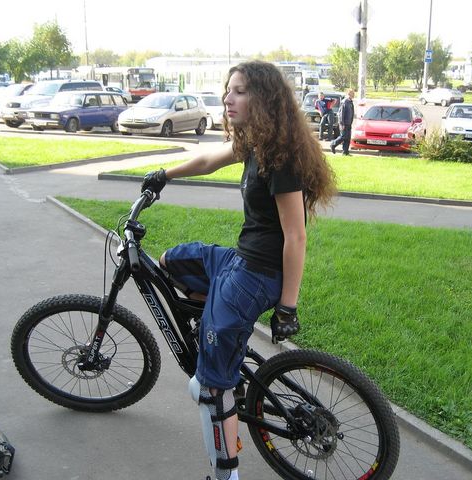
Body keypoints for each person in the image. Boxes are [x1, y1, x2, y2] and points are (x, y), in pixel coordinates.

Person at [141, 60, 336, 480]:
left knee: (208, 388)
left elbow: (296, 237)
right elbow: (208, 161)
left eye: (240, 91)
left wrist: (287, 307)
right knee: (171, 262)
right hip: (238, 261)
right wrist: (162, 175)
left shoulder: (281, 160)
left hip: (256, 277)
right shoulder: (255, 143)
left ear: (263, 99)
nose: (228, 98)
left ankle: (226, 471)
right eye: (228, 89)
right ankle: (221, 339)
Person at [330, 88, 355, 155]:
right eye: (351, 93)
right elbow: (341, 114)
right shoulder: (344, 102)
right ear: (348, 94)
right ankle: (333, 144)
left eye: (353, 93)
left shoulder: (350, 102)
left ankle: (345, 152)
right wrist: (342, 124)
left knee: (348, 138)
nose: (353, 95)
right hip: (344, 123)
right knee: (343, 136)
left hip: (349, 123)